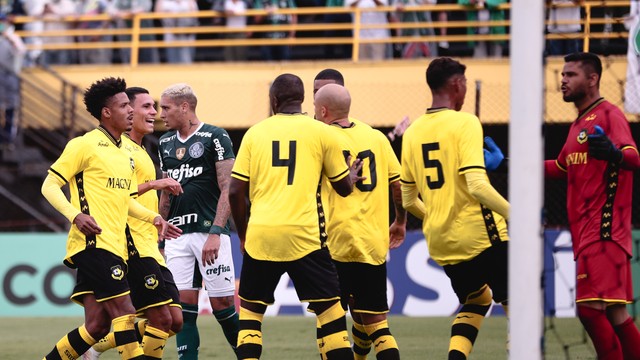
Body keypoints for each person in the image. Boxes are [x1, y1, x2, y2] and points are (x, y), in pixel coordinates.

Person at [39, 77, 181, 360]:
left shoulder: (124, 154)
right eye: (124, 105)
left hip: (117, 247)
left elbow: (125, 201)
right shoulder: (84, 144)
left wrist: (154, 217)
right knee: (125, 313)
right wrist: (75, 215)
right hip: (93, 243)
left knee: (98, 325)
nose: (131, 110)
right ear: (107, 112)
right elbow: (49, 185)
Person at [229, 73, 356, 359]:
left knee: (251, 315)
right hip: (306, 237)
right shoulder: (323, 132)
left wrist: (244, 234)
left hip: (262, 235)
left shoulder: (255, 133)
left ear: (273, 101)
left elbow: (235, 192)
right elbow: (344, 188)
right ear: (302, 100)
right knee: (331, 315)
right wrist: (351, 176)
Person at [400, 57, 510, 359]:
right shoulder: (465, 122)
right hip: (481, 235)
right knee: (519, 303)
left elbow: (408, 201)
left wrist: (436, 215)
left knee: (477, 301)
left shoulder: (412, 132)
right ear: (458, 84)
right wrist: (518, 215)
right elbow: (477, 184)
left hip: (442, 242)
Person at [545, 52, 640, 359]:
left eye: (570, 74)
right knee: (617, 317)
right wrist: (509, 164)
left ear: (593, 78)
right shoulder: (576, 127)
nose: (563, 80)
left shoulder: (609, 114)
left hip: (605, 231)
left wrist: (614, 153)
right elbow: (561, 167)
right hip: (588, 234)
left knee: (589, 311)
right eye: (562, 75)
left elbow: (633, 157)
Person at [82, 87, 185, 359]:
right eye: (146, 107)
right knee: (160, 320)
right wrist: (155, 183)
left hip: (148, 243)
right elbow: (118, 194)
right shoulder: (118, 149)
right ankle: (95, 347)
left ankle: (96, 347)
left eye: (155, 107)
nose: (153, 113)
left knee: (174, 321)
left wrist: (157, 222)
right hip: (130, 245)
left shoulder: (140, 150)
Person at [314, 82, 406, 360]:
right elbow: (398, 185)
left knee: (328, 323)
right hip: (372, 242)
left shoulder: (319, 137)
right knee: (378, 324)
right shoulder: (377, 138)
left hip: (333, 242)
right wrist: (400, 221)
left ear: (322, 110)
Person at [157, 83, 239, 359]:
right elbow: (166, 194)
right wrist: (160, 229)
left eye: (165, 107)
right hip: (176, 235)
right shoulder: (165, 143)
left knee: (223, 304)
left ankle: (248, 354)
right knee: (181, 309)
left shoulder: (215, 136)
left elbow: (227, 186)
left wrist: (217, 231)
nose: (161, 114)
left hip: (208, 231)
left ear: (185, 107)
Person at [0, 13, 25, 150]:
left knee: (10, 108)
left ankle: (8, 140)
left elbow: (21, 51)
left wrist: (9, 38)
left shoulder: (13, 37)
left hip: (10, 78)